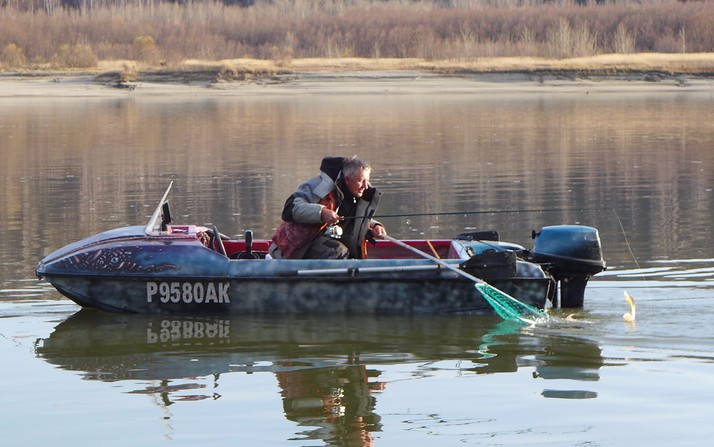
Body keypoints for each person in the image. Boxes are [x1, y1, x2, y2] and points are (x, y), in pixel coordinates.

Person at [270, 156, 387, 259]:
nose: (365, 186)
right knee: (338, 252)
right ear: (347, 179)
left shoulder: (352, 194)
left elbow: (350, 219)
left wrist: (373, 226)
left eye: (367, 181)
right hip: (288, 250)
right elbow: (290, 208)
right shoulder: (319, 187)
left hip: (316, 242)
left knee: (345, 253)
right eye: (360, 181)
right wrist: (321, 213)